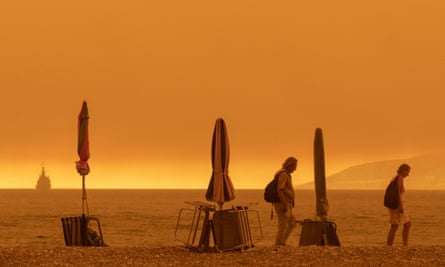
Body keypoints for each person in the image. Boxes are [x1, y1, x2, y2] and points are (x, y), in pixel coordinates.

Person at [273, 156, 298, 246]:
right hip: (283, 203)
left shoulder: (285, 174)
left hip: (287, 203)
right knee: (283, 224)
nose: (295, 169)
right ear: (290, 165)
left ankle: (282, 242)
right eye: (295, 166)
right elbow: (280, 189)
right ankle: (278, 243)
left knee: (292, 222)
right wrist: (284, 204)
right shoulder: (283, 175)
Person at [386, 163, 411, 246]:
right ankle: (401, 245)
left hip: (395, 206)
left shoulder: (394, 178)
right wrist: (400, 206)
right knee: (397, 225)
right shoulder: (399, 178)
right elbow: (398, 193)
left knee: (402, 225)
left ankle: (394, 245)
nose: (408, 174)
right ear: (403, 170)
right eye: (407, 172)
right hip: (398, 206)